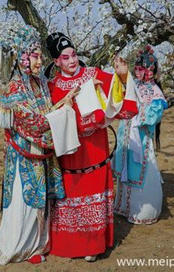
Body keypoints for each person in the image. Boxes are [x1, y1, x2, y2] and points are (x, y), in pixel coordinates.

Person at [46, 32, 138, 261]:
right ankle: (71, 243)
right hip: (70, 152)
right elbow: (56, 116)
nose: (72, 61)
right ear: (56, 61)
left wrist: (123, 76)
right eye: (65, 58)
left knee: (93, 194)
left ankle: (93, 246)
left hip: (94, 150)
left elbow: (117, 99)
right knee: (70, 196)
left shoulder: (93, 74)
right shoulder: (53, 85)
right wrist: (82, 93)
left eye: (74, 55)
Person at [0, 27, 74, 265]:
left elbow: (44, 114)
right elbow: (34, 124)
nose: (40, 61)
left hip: (40, 153)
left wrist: (63, 103)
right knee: (25, 201)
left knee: (41, 202)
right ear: (23, 59)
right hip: (25, 156)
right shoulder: (15, 88)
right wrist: (63, 110)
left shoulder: (39, 83)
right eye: (36, 56)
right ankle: (18, 247)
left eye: (40, 56)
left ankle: (38, 245)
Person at [113, 45, 168, 224]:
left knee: (141, 170)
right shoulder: (133, 84)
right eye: (136, 69)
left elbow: (153, 115)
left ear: (150, 71)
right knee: (125, 164)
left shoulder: (155, 92)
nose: (138, 72)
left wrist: (139, 109)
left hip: (142, 138)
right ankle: (123, 207)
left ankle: (143, 210)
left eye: (141, 69)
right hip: (126, 134)